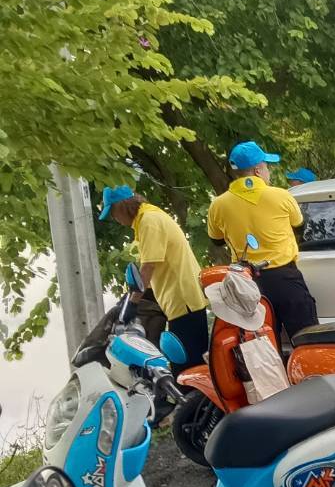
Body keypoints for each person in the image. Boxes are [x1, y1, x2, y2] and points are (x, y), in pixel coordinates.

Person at [207, 141, 318, 342]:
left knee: (263, 345)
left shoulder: (218, 205)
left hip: (248, 285)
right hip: (285, 278)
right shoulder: (281, 196)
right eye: (266, 167)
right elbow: (300, 225)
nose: (268, 171)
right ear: (258, 171)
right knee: (306, 339)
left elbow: (216, 241)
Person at [99, 184, 210, 368]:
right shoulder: (149, 217)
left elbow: (148, 267)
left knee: (188, 368)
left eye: (113, 213)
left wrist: (133, 304)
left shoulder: (149, 222)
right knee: (190, 364)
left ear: (121, 207)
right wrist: (129, 299)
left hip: (182, 301)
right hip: (181, 300)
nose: (114, 219)